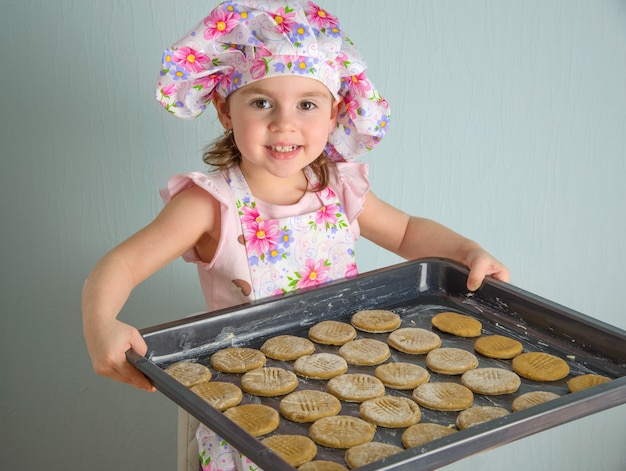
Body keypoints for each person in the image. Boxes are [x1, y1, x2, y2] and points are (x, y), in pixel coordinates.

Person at [82, 0, 510, 468]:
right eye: (262, 101)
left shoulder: (340, 188)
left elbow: (408, 232)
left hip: (352, 388)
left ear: (334, 114)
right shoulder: (209, 204)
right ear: (226, 110)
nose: (284, 122)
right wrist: (101, 322)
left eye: (307, 104)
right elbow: (120, 264)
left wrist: (466, 250)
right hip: (246, 409)